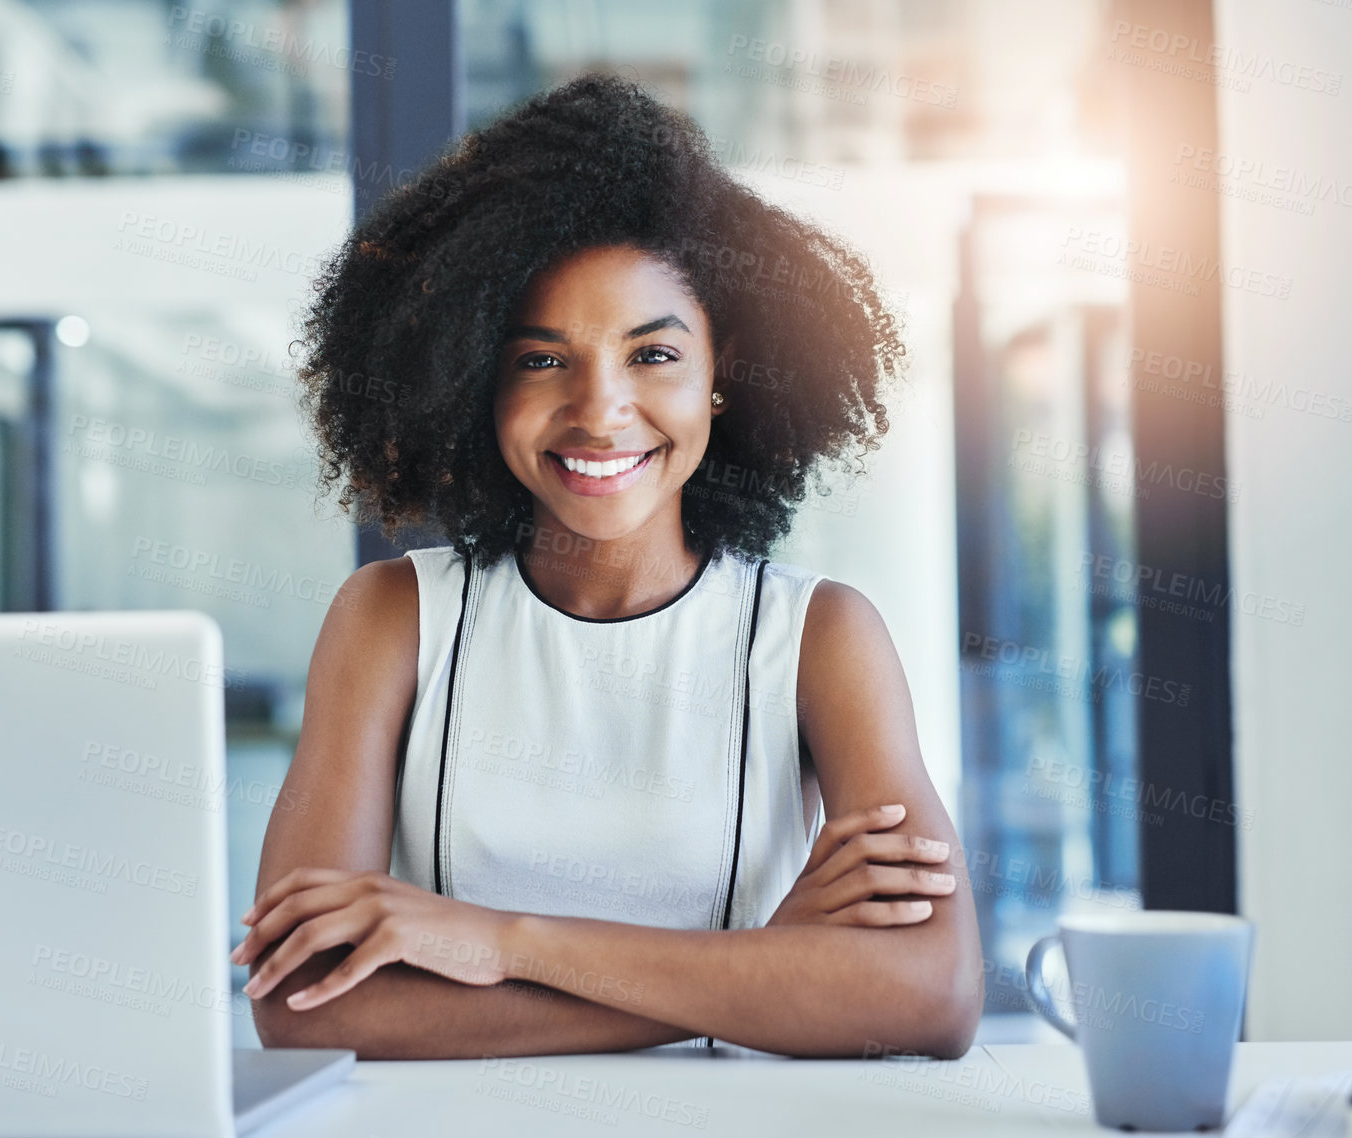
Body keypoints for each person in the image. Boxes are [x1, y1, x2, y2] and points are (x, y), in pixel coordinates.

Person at [230, 73, 982, 1059]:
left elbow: (933, 992)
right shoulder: (392, 620)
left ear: (723, 377)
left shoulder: (818, 638)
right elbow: (301, 1005)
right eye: (542, 360)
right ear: (472, 383)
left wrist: (505, 943)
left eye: (653, 355)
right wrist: (763, 965)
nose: (600, 409)